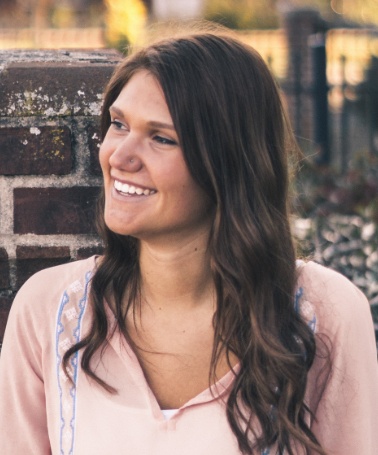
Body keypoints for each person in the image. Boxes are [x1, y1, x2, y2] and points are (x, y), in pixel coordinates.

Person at [0, 30, 377, 455]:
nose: (119, 156)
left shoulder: (323, 314)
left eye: (161, 138)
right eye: (118, 124)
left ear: (229, 163)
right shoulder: (49, 312)